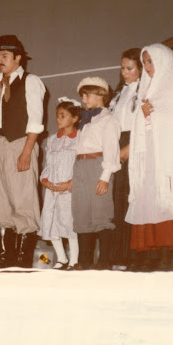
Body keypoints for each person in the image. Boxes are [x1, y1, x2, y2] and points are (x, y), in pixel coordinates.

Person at [0, 35, 45, 268]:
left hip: (19, 142)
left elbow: (36, 119)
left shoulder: (31, 81)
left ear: (18, 58)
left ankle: (23, 257)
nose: (0, 60)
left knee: (23, 198)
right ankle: (3, 255)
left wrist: (27, 151)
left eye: (5, 56)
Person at [125, 44, 173, 271]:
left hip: (166, 156)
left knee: (166, 199)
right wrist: (145, 116)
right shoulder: (146, 89)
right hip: (148, 153)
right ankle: (149, 253)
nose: (147, 67)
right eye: (144, 62)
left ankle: (169, 254)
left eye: (150, 61)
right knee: (147, 199)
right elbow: (139, 122)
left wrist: (154, 114)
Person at [73, 77, 121, 270]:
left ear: (101, 94)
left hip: (98, 166)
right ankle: (84, 261)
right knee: (81, 212)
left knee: (101, 212)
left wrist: (105, 176)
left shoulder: (108, 120)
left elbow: (111, 149)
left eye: (87, 95)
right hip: (80, 165)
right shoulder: (85, 120)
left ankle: (105, 260)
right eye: (82, 96)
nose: (83, 99)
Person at [107, 48, 142, 269]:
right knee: (117, 202)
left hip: (134, 143)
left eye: (130, 68)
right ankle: (118, 255)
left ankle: (133, 256)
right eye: (122, 68)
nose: (124, 72)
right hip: (117, 142)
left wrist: (130, 147)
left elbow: (142, 125)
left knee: (131, 199)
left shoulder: (145, 91)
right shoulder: (120, 92)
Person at [39, 98, 81, 270]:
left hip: (69, 189)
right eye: (57, 115)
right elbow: (48, 165)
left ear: (75, 118)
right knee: (51, 222)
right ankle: (61, 258)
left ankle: (74, 260)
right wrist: (45, 181)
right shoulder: (52, 140)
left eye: (63, 115)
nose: (58, 119)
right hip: (53, 189)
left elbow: (81, 166)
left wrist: (70, 183)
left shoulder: (80, 138)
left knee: (69, 224)